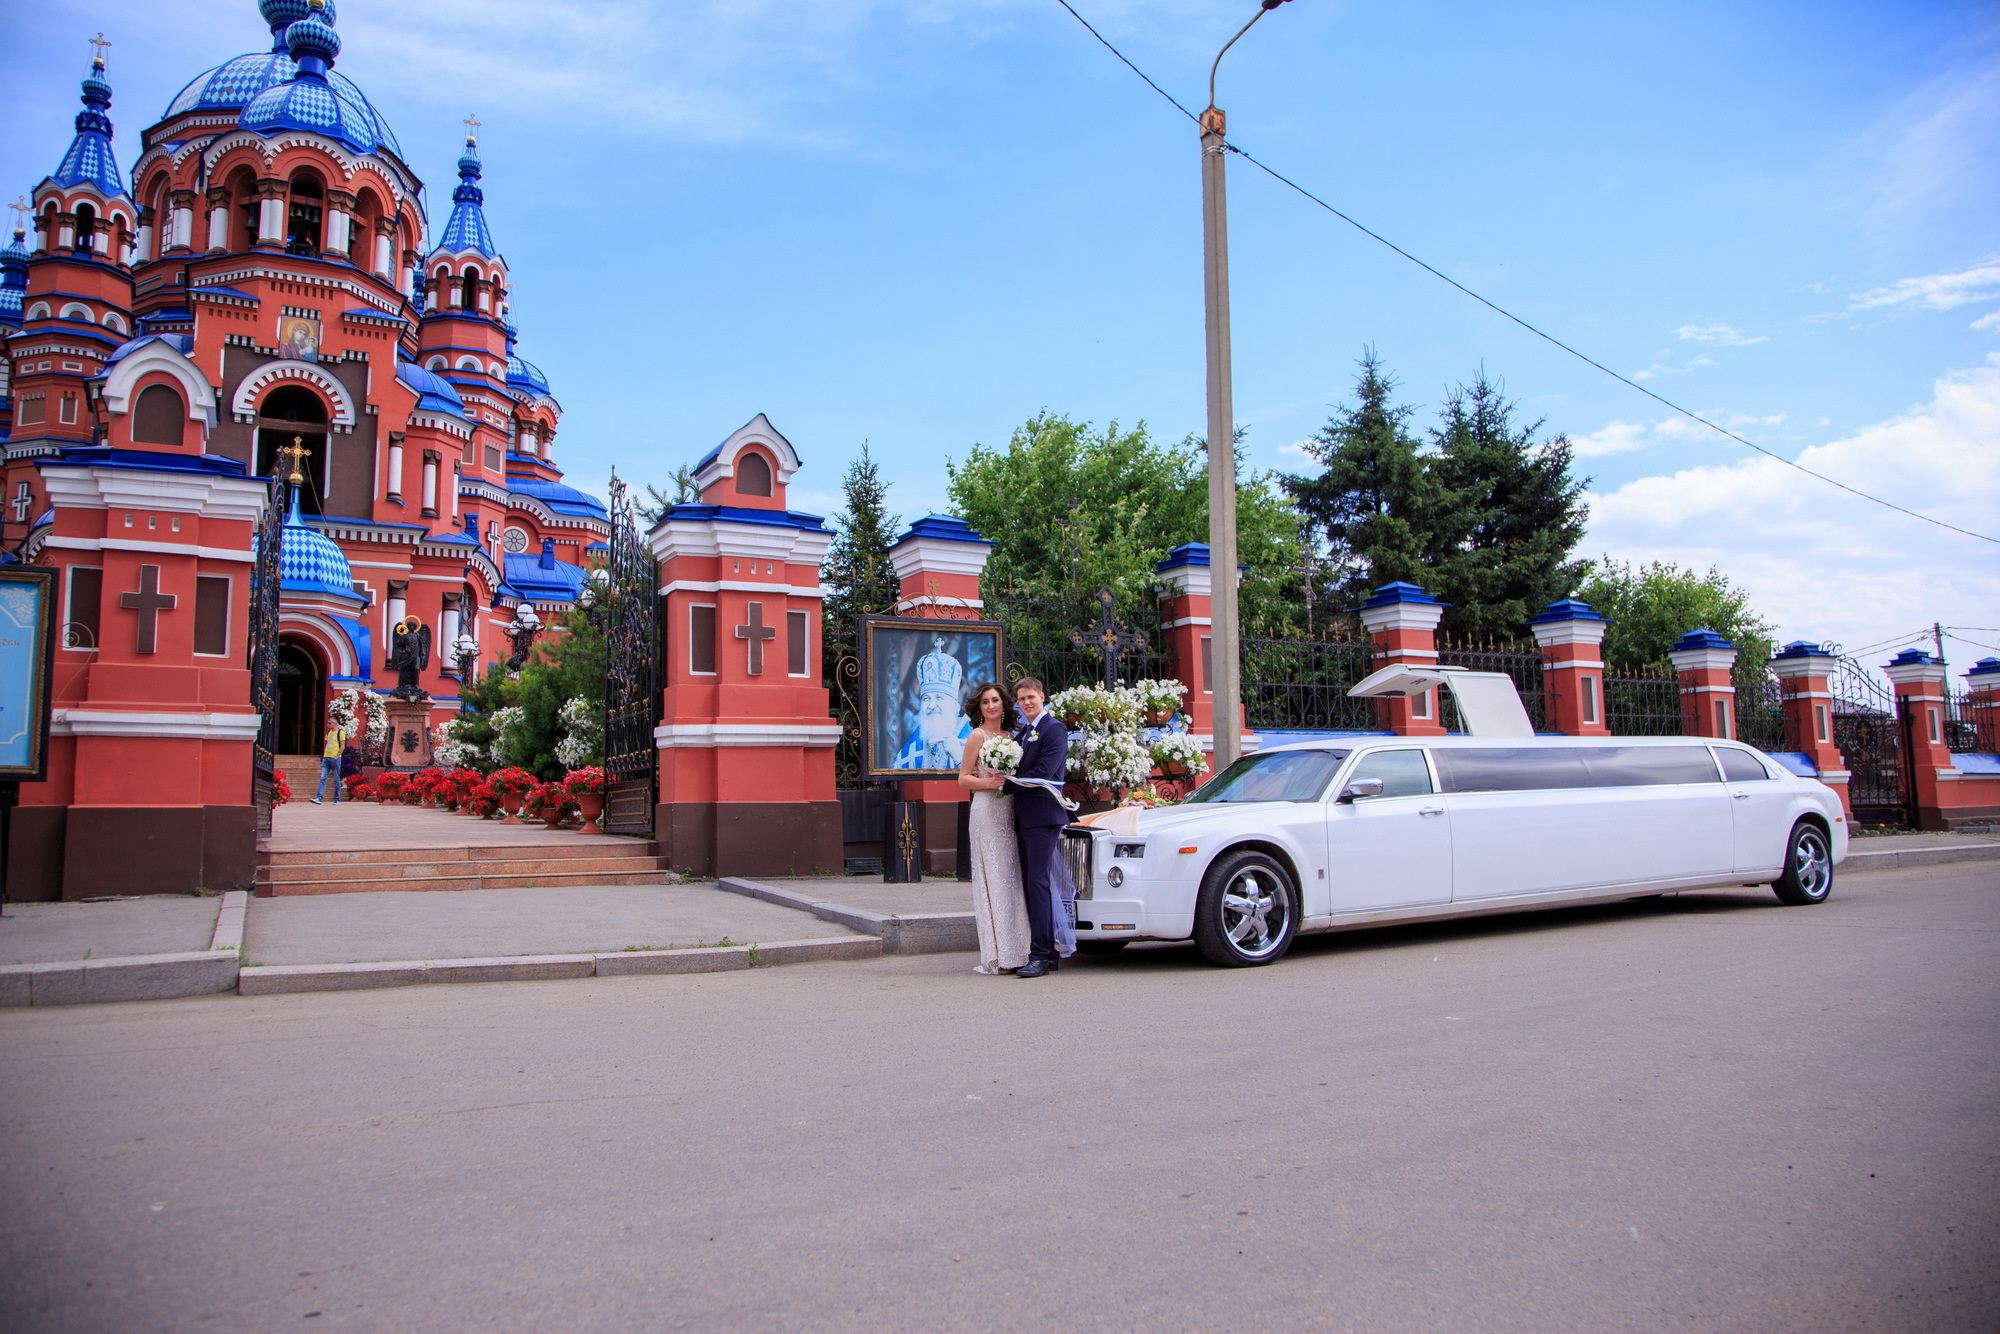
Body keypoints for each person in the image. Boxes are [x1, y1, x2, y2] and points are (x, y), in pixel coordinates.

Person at [957, 681, 1032, 975]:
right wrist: (988, 783)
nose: (991, 706)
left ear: (1004, 705)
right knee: (994, 877)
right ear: (980, 707)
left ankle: (1018, 950)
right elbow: (963, 778)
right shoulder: (977, 736)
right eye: (985, 702)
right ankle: (998, 954)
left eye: (995, 701)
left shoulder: (1011, 737)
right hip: (986, 811)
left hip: (1008, 810)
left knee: (1012, 878)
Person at [1002, 677, 1071, 978]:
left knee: (1038, 883)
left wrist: (1004, 784)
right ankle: (1048, 953)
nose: (1026, 702)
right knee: (1032, 883)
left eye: (1031, 697)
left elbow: (1045, 771)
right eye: (1021, 699)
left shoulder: (1054, 729)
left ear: (1042, 697)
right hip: (1025, 816)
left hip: (1044, 815)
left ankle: (1040, 955)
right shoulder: (1022, 734)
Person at [312, 713, 350, 804]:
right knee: (323, 777)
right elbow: (328, 744)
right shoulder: (328, 733)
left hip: (335, 758)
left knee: (336, 779)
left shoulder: (340, 733)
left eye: (330, 723)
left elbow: (342, 746)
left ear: (335, 723)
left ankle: (336, 799)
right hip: (326, 758)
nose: (328, 725)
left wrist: (337, 756)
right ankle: (319, 797)